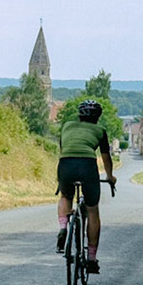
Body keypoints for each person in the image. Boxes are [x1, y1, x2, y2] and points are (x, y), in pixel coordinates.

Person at [55, 99, 115, 273]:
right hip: (87, 166)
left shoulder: (66, 126)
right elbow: (106, 157)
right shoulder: (100, 131)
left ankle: (63, 227)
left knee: (66, 196)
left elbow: (63, 148)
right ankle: (91, 258)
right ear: (98, 117)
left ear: (79, 115)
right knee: (92, 209)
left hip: (66, 164)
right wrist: (110, 176)